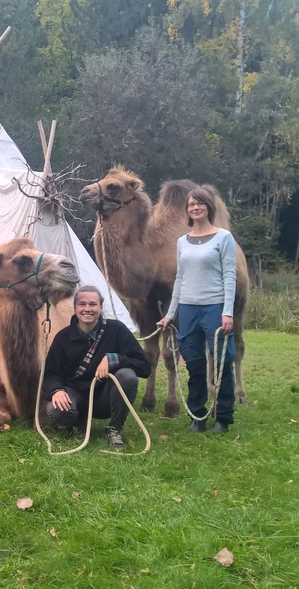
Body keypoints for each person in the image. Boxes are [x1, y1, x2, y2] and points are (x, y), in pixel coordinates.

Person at [157, 188, 239, 433]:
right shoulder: (183, 241)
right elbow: (180, 279)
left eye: (200, 203)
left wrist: (227, 312)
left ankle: (223, 417)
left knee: (222, 362)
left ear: (208, 207)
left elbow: (230, 276)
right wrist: (170, 314)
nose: (195, 207)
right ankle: (197, 415)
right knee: (193, 363)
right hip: (188, 309)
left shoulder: (223, 237)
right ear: (188, 210)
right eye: (191, 204)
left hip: (214, 308)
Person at [42, 286, 151, 448]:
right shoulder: (63, 337)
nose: (87, 309)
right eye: (82, 304)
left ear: (101, 307)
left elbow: (144, 367)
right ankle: (77, 422)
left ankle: (115, 428)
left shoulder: (117, 330)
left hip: (105, 398)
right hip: (75, 396)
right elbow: (50, 374)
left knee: (127, 376)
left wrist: (114, 359)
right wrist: (56, 390)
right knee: (56, 409)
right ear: (75, 308)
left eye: (93, 304)